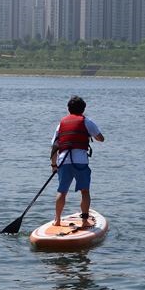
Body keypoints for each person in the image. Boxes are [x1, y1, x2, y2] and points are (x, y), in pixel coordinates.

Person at [50, 95, 105, 226]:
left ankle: (57, 220)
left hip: (63, 161)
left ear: (68, 109)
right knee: (84, 191)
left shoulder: (61, 124)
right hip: (81, 162)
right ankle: (85, 220)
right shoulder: (87, 122)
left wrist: (53, 165)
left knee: (61, 191)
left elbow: (54, 146)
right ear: (83, 109)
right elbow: (101, 138)